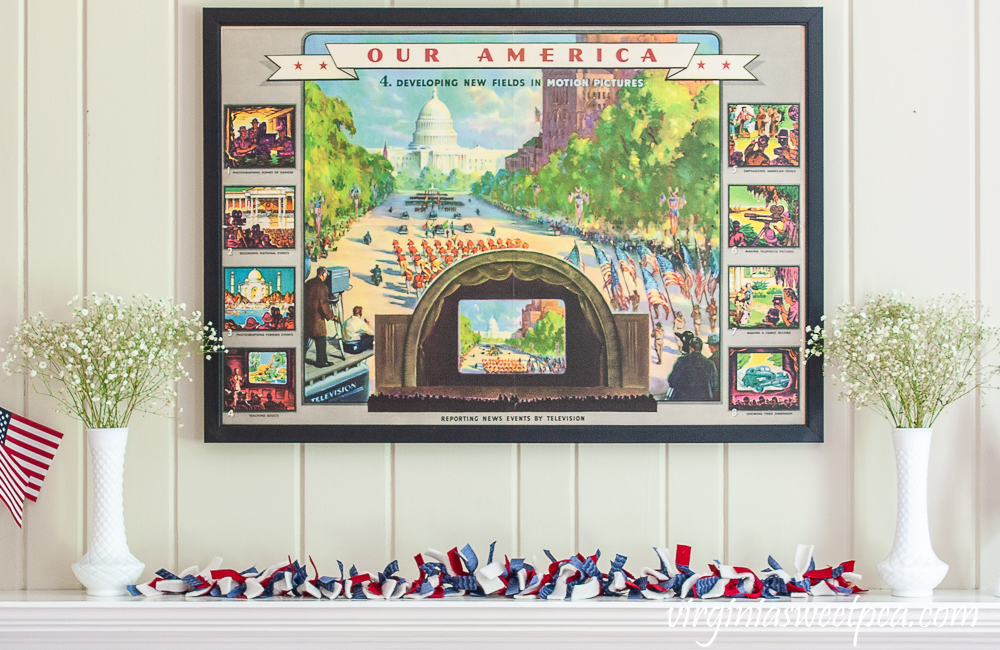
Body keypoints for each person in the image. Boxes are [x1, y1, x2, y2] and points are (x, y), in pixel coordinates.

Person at [304, 267, 338, 368]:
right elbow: (323, 304)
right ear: (323, 274)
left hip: (306, 316)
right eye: (326, 274)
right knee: (321, 339)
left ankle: (299, 359)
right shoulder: (322, 287)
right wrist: (332, 316)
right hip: (316, 318)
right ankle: (321, 361)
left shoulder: (308, 282)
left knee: (305, 340)